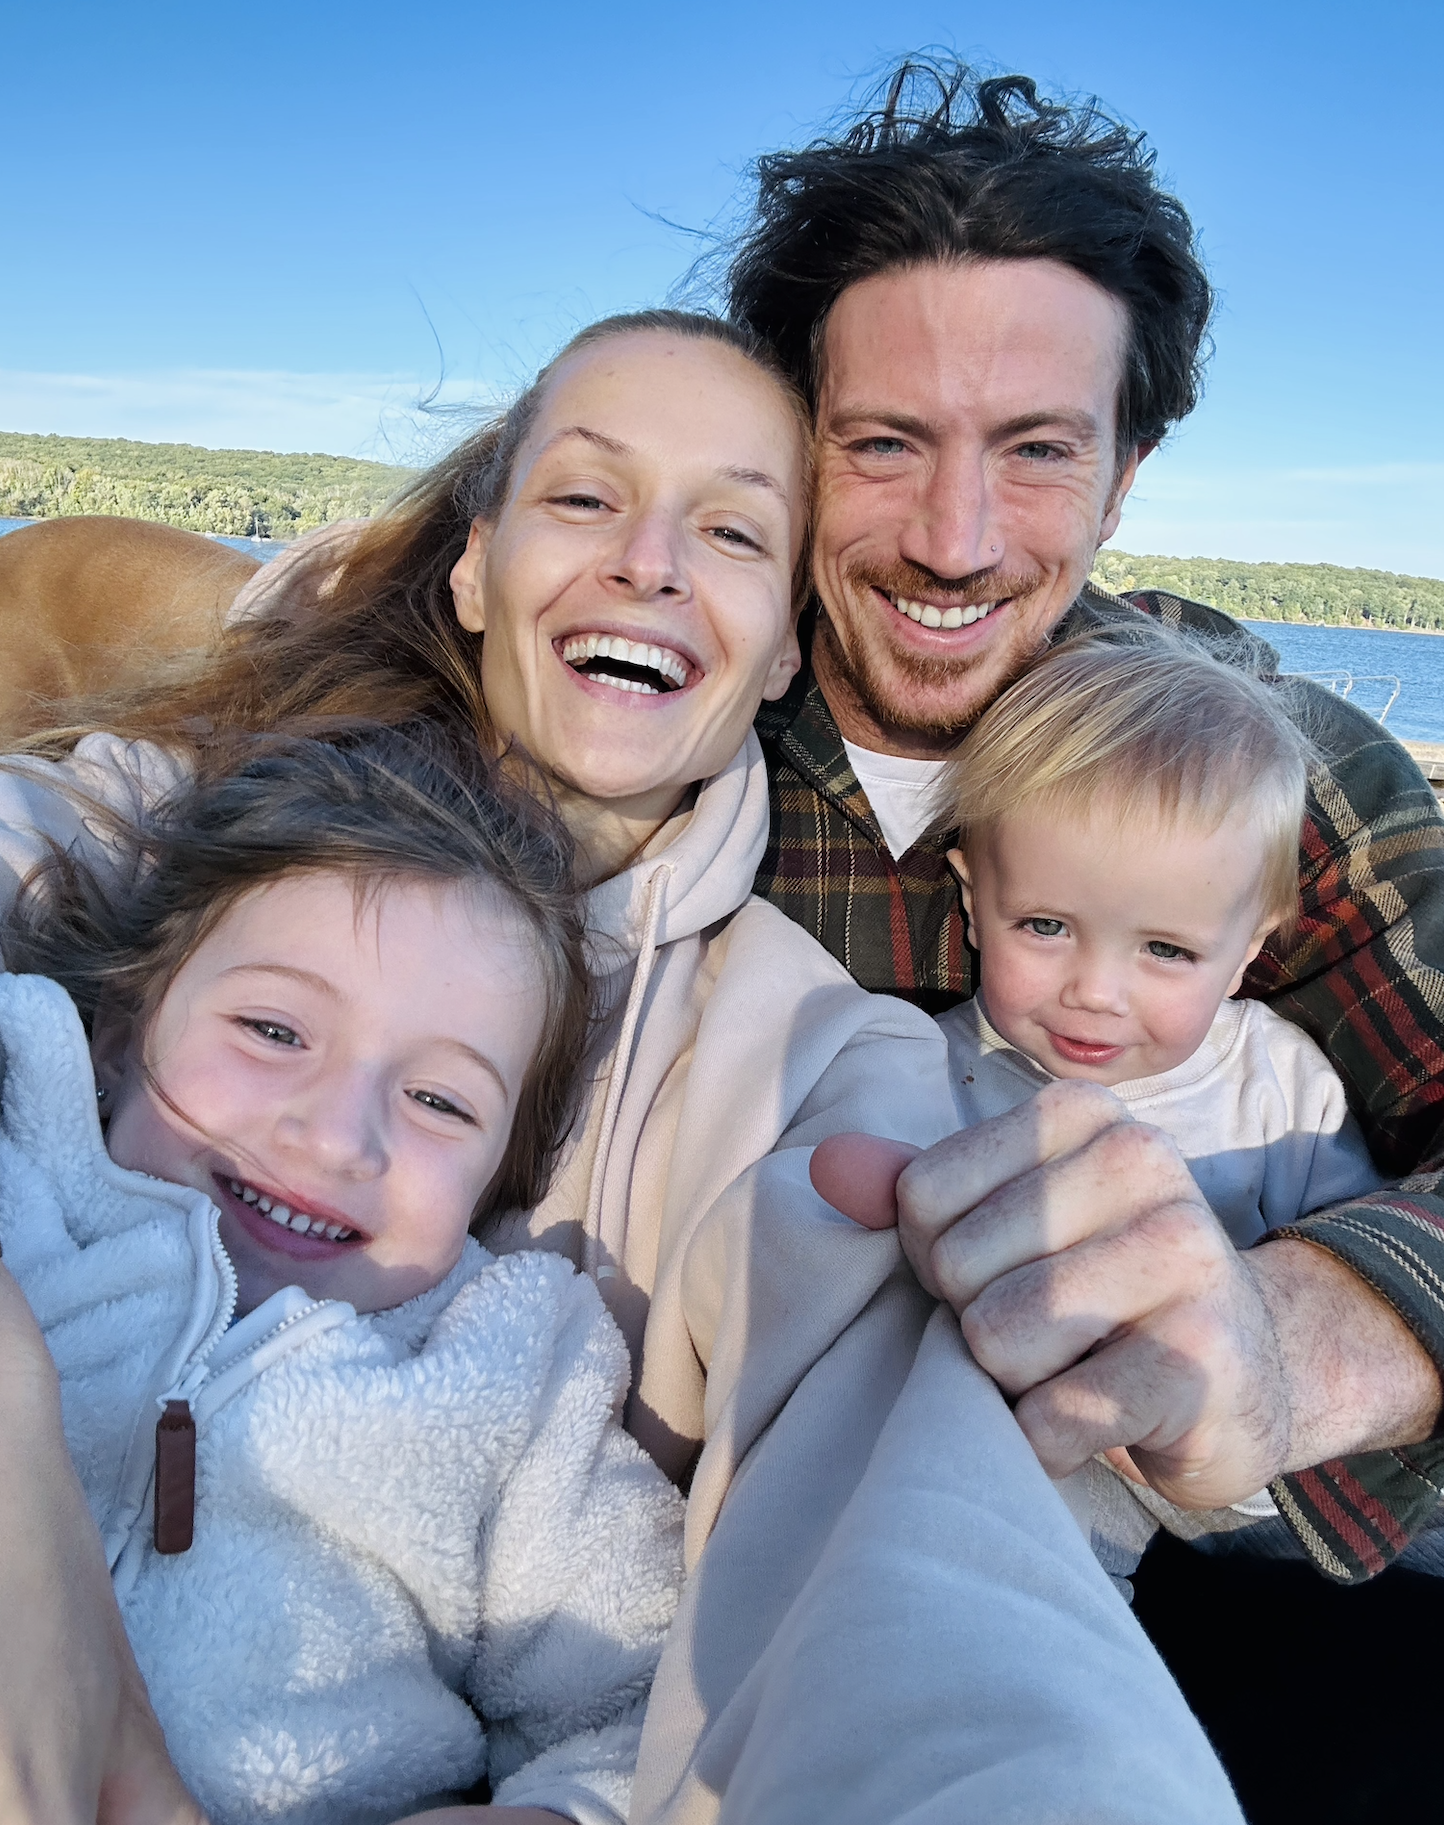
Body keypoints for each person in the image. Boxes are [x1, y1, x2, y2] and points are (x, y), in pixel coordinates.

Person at [0, 311, 1242, 1825]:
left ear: (788, 640)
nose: (649, 561)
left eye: (728, 530)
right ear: (475, 562)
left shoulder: (810, 1055)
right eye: (587, 497)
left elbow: (902, 1509)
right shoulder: (169, 818)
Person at [728, 59, 1444, 1583]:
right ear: (794, 446)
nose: (953, 540)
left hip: (1192, 1586)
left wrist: (1286, 1348)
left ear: (1126, 476)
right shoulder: (669, 733)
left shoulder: (1280, 775)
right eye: (885, 442)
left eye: (1039, 449)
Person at [0, 725, 684, 1825]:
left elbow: (647, 1705)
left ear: (495, 1178)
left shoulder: (507, 1376)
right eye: (273, 1029)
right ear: (124, 1034)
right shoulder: (23, 1171)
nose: (335, 1137)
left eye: (440, 1102)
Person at [812, 630, 1389, 1587]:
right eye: (1044, 926)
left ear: (1251, 947)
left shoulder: (1282, 1092)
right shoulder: (925, 1065)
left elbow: (1335, 1277)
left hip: (1225, 1526)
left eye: (1166, 950)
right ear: (973, 893)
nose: (1097, 992)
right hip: (982, 1506)